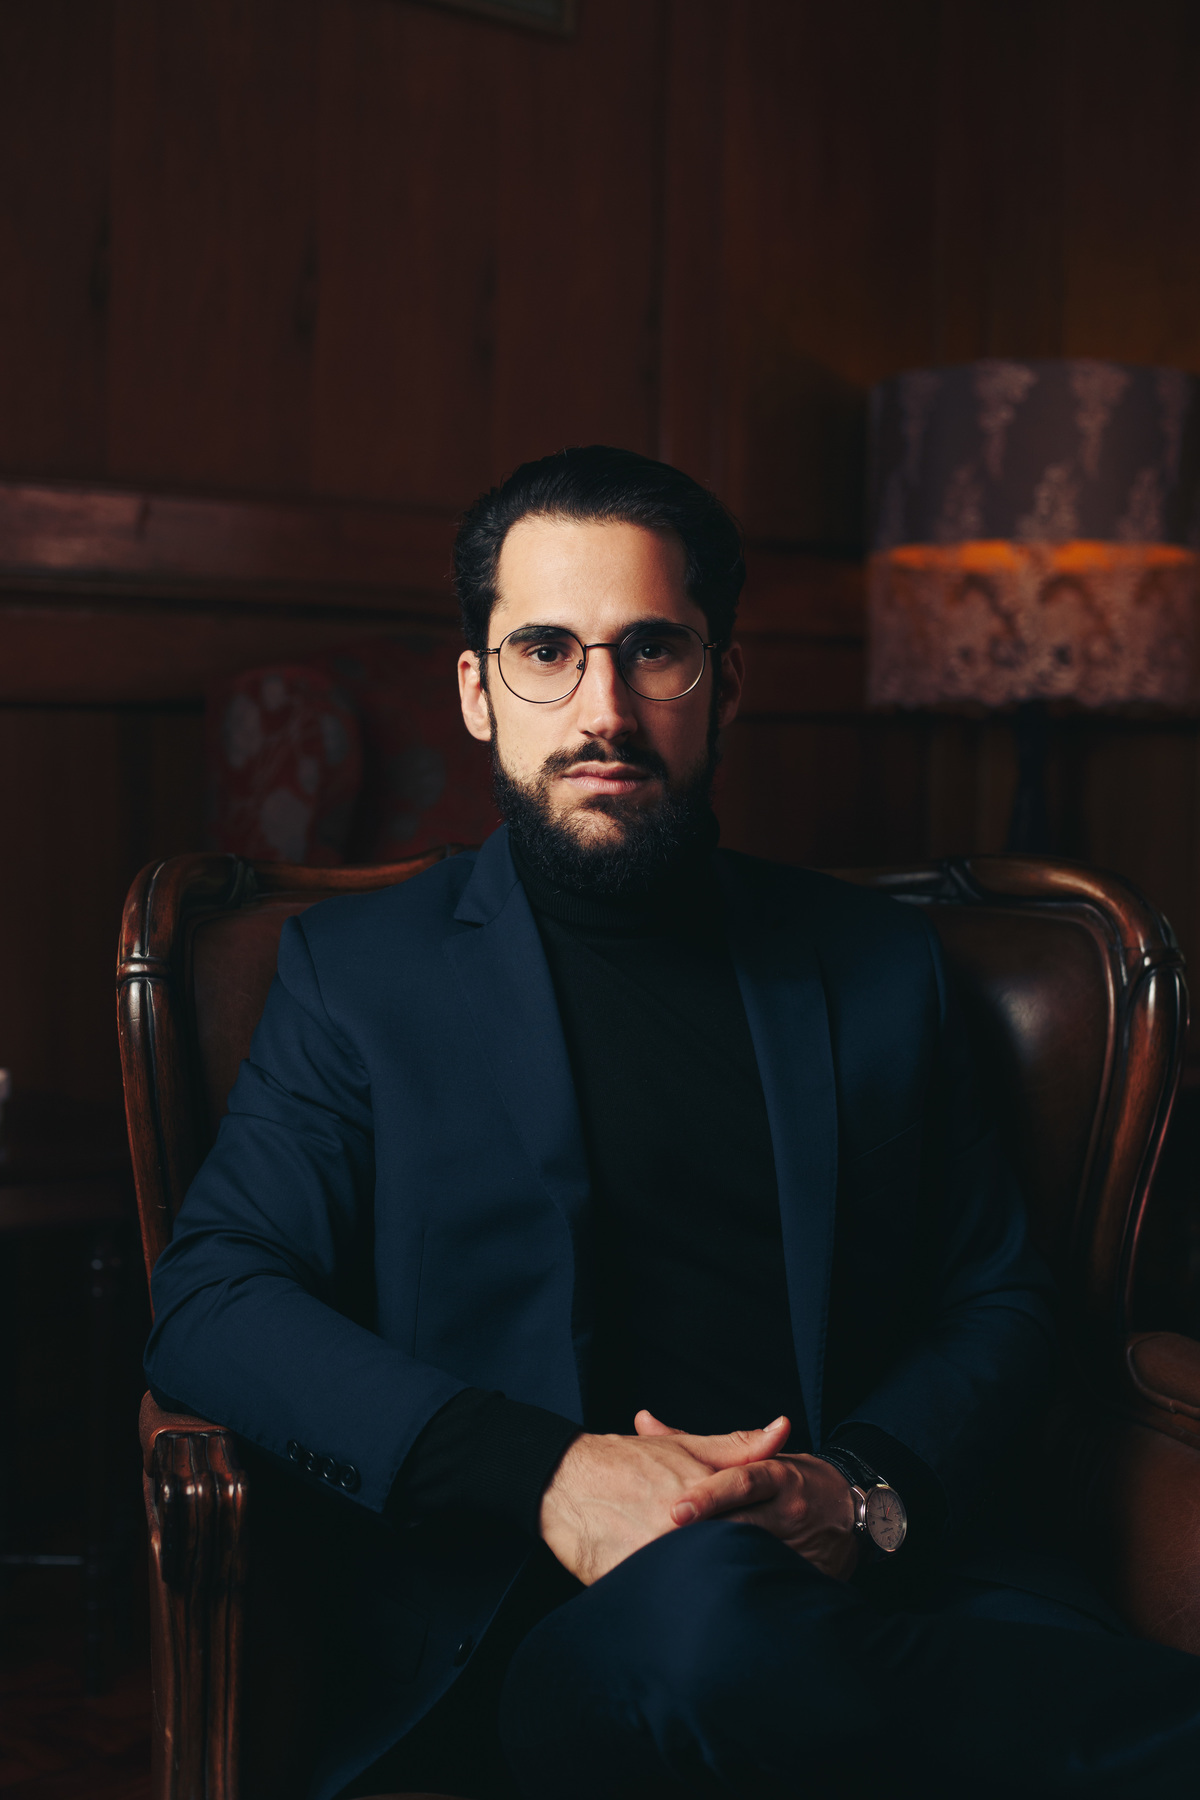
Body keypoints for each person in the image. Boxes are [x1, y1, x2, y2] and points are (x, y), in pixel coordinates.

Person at [146, 446, 1200, 1800]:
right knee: (707, 1639)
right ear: (477, 690)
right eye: (545, 651)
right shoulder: (359, 975)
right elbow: (213, 1299)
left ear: (726, 683)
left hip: (879, 1587)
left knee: (803, 1649)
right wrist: (552, 1476)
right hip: (553, 1625)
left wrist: (854, 1492)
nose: (604, 709)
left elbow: (997, 1299)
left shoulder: (879, 967)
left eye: (653, 649)